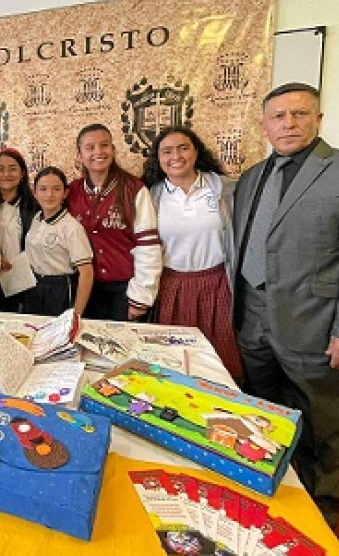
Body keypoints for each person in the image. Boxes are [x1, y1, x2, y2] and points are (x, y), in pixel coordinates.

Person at [232, 82, 339, 527]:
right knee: (262, 420)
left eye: (300, 114)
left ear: (318, 120)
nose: (288, 123)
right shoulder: (250, 179)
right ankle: (268, 501)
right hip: (252, 320)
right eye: (278, 116)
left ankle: (319, 519)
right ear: (264, 126)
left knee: (322, 429)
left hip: (316, 326)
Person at [144, 126, 242, 381]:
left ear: (196, 151)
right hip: (172, 287)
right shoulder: (151, 196)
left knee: (222, 359)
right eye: (167, 151)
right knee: (175, 361)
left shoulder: (225, 189)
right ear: (158, 158)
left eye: (183, 148)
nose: (176, 156)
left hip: (218, 285)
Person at [67, 123, 162, 321]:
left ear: (113, 149)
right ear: (79, 155)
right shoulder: (71, 191)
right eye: (90, 147)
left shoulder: (134, 189)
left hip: (124, 291)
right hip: (83, 290)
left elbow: (148, 246)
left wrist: (141, 297)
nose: (98, 152)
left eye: (104, 145)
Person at [23, 167, 94, 317]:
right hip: (34, 286)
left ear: (65, 193)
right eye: (43, 189)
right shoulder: (36, 218)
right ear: (35, 192)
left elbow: (86, 273)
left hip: (59, 289)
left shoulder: (71, 228)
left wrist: (76, 314)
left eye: (56, 189)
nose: (49, 195)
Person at [0, 147, 39, 312]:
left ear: (22, 173)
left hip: (26, 278)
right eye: (0, 169)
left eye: (12, 169)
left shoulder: (34, 207)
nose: (6, 174)